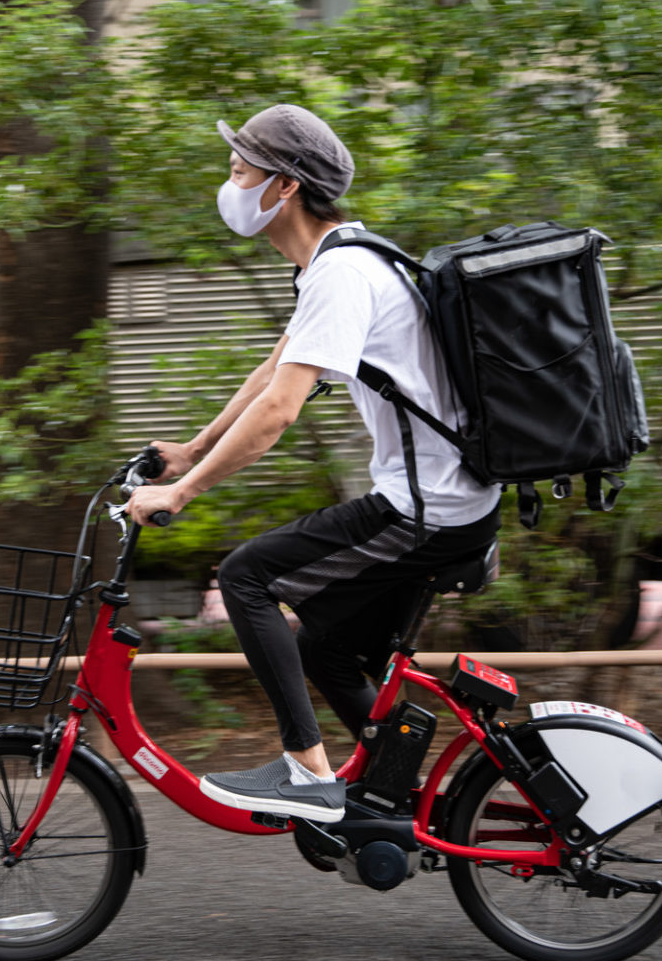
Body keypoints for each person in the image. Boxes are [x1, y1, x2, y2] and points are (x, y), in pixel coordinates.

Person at [126, 105, 502, 823]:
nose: (229, 185)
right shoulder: (337, 262)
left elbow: (280, 411)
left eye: (240, 171)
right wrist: (194, 448)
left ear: (284, 187)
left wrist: (187, 491)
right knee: (322, 648)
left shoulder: (343, 274)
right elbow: (275, 369)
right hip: (446, 502)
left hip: (428, 510)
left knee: (246, 574)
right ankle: (388, 800)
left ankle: (305, 773)